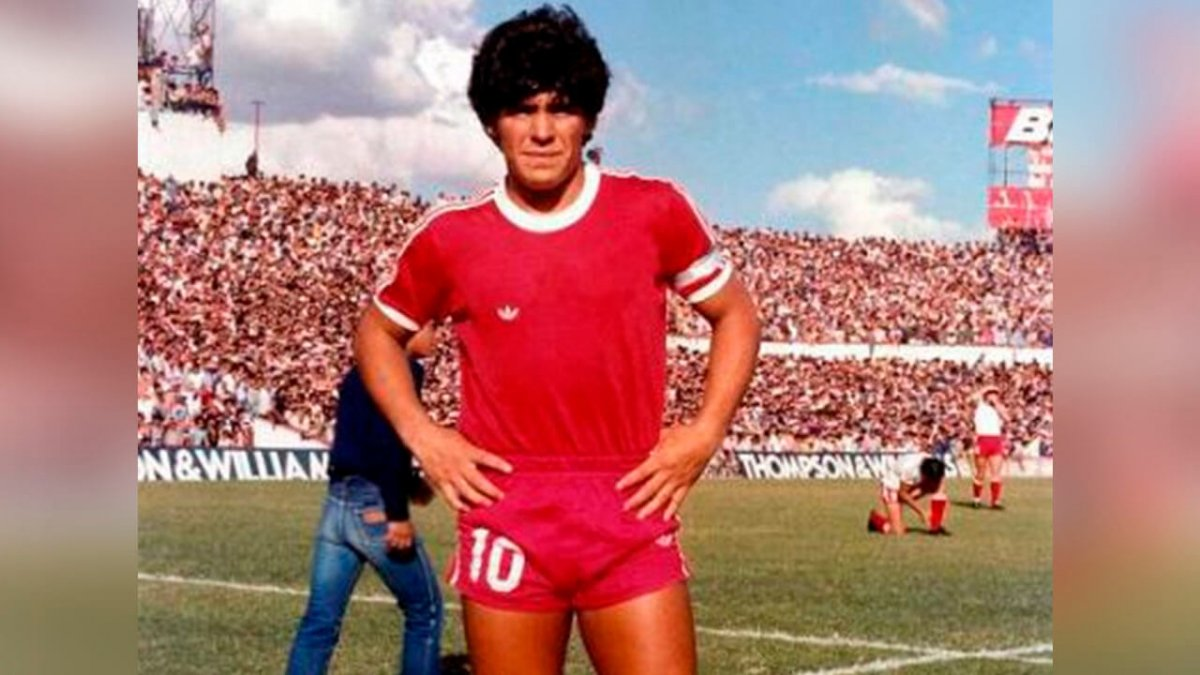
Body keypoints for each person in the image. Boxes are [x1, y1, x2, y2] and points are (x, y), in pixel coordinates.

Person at [354, 6, 760, 674]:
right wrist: (424, 436)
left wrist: (706, 428)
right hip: (507, 508)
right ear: (491, 122)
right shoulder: (451, 237)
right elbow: (376, 330)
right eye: (521, 109)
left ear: (590, 118)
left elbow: (736, 313)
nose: (541, 130)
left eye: (561, 108)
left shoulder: (652, 209)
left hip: (629, 501)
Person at [286, 326, 443, 675]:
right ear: (408, 331)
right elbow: (391, 442)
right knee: (426, 611)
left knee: (320, 619)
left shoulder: (362, 368)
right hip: (373, 505)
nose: (437, 336)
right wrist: (397, 511)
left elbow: (364, 439)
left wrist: (409, 482)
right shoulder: (405, 369)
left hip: (338, 500)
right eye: (431, 327)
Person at [867, 454, 950, 536]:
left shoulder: (935, 466)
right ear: (924, 474)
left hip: (910, 485)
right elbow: (902, 493)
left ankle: (935, 526)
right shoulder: (910, 469)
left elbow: (940, 489)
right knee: (898, 532)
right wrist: (921, 512)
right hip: (892, 486)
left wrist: (936, 517)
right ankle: (875, 519)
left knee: (939, 490)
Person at [971, 385, 1010, 509]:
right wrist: (986, 389)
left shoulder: (998, 407)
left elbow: (1007, 418)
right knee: (980, 473)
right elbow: (971, 398)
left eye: (996, 393)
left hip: (996, 440)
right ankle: (976, 499)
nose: (994, 395)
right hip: (982, 439)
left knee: (996, 473)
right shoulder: (980, 405)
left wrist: (997, 404)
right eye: (991, 393)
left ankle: (995, 501)